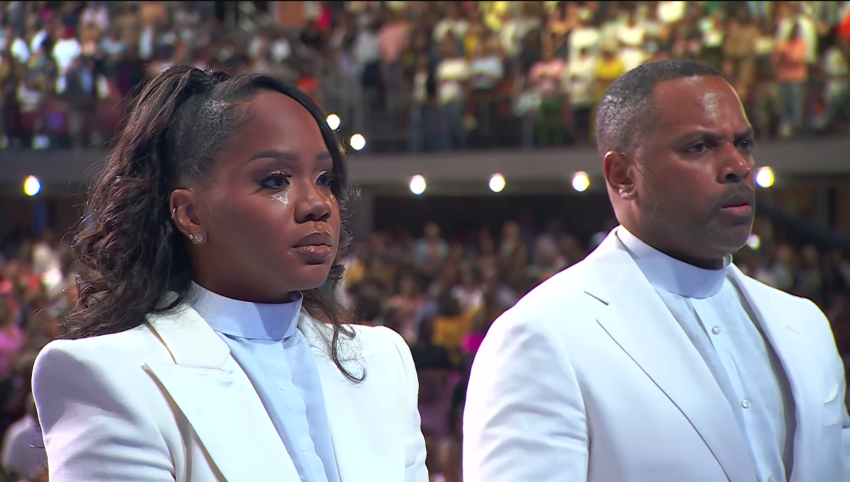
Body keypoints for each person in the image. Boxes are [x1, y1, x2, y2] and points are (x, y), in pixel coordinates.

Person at [32, 66, 428, 482]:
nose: (317, 203)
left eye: (324, 178)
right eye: (275, 180)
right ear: (190, 213)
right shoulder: (110, 376)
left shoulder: (383, 361)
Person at [463, 59, 849, 482]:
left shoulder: (804, 323)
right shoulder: (541, 336)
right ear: (623, 176)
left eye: (743, 143)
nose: (737, 165)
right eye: (699, 147)